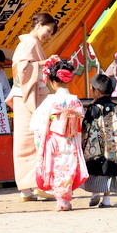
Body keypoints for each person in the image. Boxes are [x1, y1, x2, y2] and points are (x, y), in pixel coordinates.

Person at [5, 13, 58, 201]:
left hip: (26, 97)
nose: (48, 35)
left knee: (28, 142)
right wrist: (46, 63)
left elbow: (27, 69)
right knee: (33, 141)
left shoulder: (31, 43)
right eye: (48, 30)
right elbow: (23, 70)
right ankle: (36, 185)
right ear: (39, 25)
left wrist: (44, 64)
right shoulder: (30, 43)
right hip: (27, 98)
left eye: (51, 33)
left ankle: (28, 189)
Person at [30, 58, 88, 211]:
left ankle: (61, 201)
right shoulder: (75, 100)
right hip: (70, 141)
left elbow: (37, 121)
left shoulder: (50, 100)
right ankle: (65, 200)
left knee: (56, 168)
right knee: (68, 168)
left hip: (54, 141)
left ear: (53, 82)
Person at [82, 74, 117, 208]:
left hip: (95, 146)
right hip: (112, 146)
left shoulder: (93, 108)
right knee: (109, 170)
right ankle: (106, 200)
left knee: (94, 168)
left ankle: (95, 193)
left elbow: (85, 126)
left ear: (96, 90)